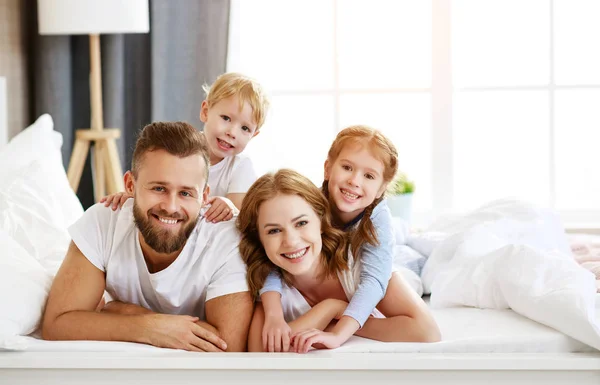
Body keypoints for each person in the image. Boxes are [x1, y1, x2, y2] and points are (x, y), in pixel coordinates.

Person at [42, 122, 253, 352]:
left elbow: (228, 346)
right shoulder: (104, 222)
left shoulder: (227, 239)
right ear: (130, 185)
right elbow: (57, 324)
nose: (171, 207)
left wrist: (127, 312)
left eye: (185, 193)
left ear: (204, 196)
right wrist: (148, 327)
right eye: (158, 189)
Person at [237, 169, 440, 353]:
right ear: (259, 239)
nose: (291, 241)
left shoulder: (363, 267)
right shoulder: (271, 290)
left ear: (321, 220)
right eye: (274, 230)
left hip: (407, 264)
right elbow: (259, 350)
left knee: (418, 254)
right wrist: (330, 309)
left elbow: (426, 331)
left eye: (301, 223)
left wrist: (335, 317)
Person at [259, 126, 400, 352]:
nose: (355, 181)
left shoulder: (379, 219)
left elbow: (375, 281)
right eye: (347, 167)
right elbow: (276, 258)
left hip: (383, 253)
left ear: (381, 188)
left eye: (369, 176)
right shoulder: (310, 204)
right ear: (327, 169)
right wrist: (273, 315)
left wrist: (338, 333)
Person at [101, 72, 269, 223]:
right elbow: (155, 189)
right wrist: (131, 198)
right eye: (226, 118)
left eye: (245, 128)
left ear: (253, 135)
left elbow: (239, 216)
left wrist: (229, 207)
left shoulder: (240, 166)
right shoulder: (181, 150)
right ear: (205, 111)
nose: (232, 132)